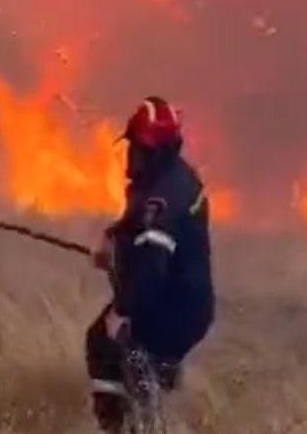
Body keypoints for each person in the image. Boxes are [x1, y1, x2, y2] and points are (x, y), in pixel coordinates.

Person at [87, 97, 215, 432]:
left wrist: (124, 312)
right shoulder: (164, 179)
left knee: (113, 347)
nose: (132, 156)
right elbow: (136, 223)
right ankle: (146, 409)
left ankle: (134, 424)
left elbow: (153, 265)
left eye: (138, 149)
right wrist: (111, 237)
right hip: (179, 302)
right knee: (125, 356)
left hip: (171, 306)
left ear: (155, 152)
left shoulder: (166, 196)